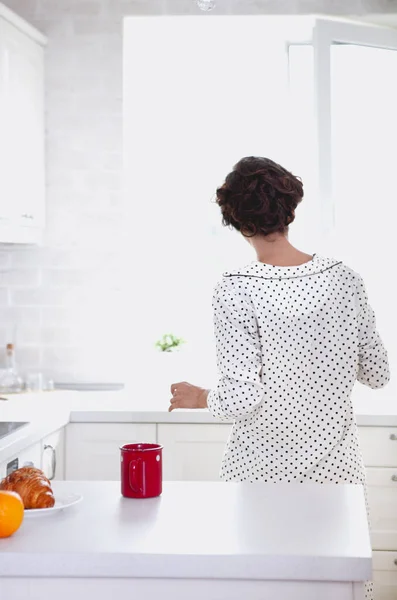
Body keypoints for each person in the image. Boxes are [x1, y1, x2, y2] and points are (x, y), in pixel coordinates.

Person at [168, 156, 390, 600]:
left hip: (261, 475)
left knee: (259, 588)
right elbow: (378, 374)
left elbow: (241, 400)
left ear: (235, 219)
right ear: (290, 208)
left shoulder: (237, 287)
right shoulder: (345, 279)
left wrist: (198, 397)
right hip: (337, 475)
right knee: (333, 589)